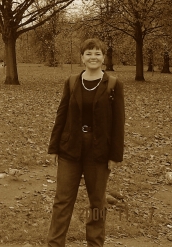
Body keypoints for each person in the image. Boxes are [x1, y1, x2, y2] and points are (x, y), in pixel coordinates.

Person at [46, 38, 125, 247]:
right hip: (69, 149)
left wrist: (115, 156)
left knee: (97, 203)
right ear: (82, 57)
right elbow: (61, 115)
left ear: (103, 58)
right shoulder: (72, 82)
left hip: (99, 153)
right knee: (62, 202)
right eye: (88, 53)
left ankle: (95, 244)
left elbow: (118, 123)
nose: (93, 57)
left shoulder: (114, 85)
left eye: (97, 53)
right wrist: (53, 147)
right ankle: (54, 244)